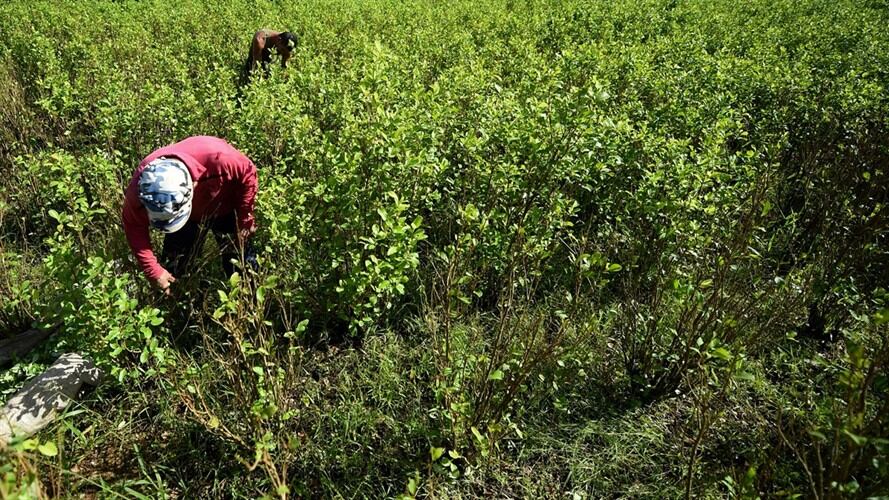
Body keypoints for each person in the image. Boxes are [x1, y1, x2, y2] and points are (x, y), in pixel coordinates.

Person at [122, 136, 258, 296]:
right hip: (187, 216)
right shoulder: (142, 187)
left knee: (241, 264)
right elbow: (133, 225)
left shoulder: (221, 159)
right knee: (176, 267)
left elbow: (249, 174)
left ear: (193, 185)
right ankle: (179, 304)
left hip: (225, 206)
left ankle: (250, 300)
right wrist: (153, 271)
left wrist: (244, 219)